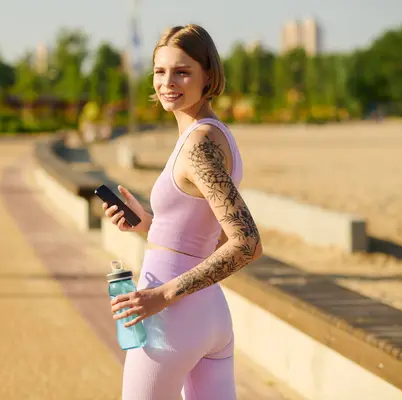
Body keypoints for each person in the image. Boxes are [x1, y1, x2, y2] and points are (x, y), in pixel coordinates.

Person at [103, 24, 262, 400]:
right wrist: (147, 226)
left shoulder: (198, 147)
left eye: (182, 71)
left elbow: (247, 243)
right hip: (210, 317)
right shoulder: (216, 135)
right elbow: (211, 237)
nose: (168, 82)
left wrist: (162, 296)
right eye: (160, 71)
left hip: (171, 320)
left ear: (208, 75)